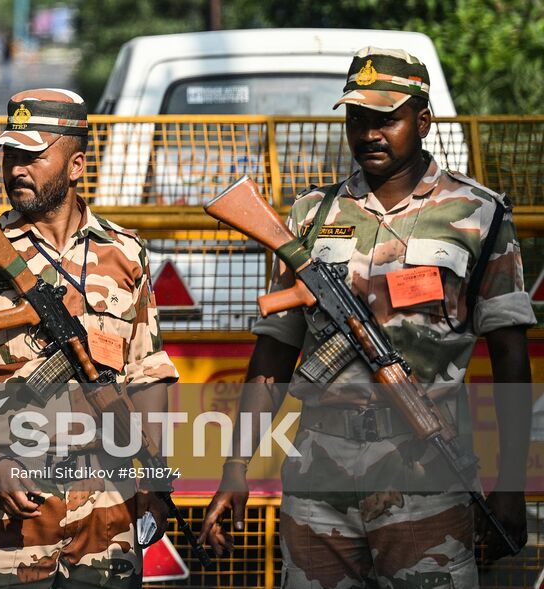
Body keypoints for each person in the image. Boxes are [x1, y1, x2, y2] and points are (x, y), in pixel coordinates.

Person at [198, 47, 534, 588]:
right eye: (357, 119)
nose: (370, 133)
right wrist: (236, 466)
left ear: (422, 120)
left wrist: (512, 482)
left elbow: (510, 354)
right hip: (317, 483)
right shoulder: (313, 215)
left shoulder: (477, 214)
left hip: (427, 475)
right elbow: (276, 349)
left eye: (386, 119)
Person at [0, 88, 180, 588]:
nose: (17, 168)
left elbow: (147, 368)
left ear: (76, 164)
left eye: (33, 156)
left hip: (108, 500)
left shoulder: (125, 253)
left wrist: (153, 473)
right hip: (10, 496)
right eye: (10, 155)